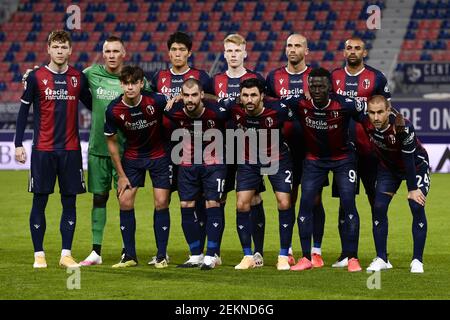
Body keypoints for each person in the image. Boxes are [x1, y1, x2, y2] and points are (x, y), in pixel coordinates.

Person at [14, 30, 92, 268]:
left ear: (70, 50)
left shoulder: (78, 78)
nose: (59, 51)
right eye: (55, 47)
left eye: (63, 47)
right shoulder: (36, 77)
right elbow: (23, 112)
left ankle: (65, 255)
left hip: (70, 151)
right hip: (43, 150)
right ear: (48, 49)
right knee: (40, 201)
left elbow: (95, 107)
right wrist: (18, 143)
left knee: (70, 203)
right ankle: (39, 254)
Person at [285, 68, 365, 272]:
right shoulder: (299, 103)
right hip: (314, 160)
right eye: (313, 86)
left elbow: (368, 117)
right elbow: (273, 107)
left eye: (321, 86)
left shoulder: (345, 104)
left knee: (349, 204)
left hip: (343, 159)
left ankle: (352, 257)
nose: (317, 90)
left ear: (330, 87)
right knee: (305, 205)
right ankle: (305, 258)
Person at [150, 31, 213, 266]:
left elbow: (214, 101)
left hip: (195, 147)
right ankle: (161, 253)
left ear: (189, 52)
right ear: (169, 53)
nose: (177, 54)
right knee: (162, 200)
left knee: (199, 200)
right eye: (174, 50)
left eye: (182, 50)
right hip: (165, 147)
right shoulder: (159, 77)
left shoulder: (201, 77)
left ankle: (202, 252)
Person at [330, 36, 394, 268]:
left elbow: (388, 111)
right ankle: (348, 254)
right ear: (344, 52)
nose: (353, 51)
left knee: (376, 202)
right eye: (349, 48)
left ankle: (382, 256)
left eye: (358, 48)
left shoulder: (376, 77)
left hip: (370, 151)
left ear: (364, 53)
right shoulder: (333, 77)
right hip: (342, 151)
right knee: (345, 203)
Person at [266, 33, 326, 267]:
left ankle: (316, 250)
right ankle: (288, 249)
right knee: (287, 199)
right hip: (283, 149)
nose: (292, 49)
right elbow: (268, 107)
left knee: (315, 199)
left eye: (298, 45)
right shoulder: (274, 77)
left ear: (306, 51)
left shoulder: (316, 77)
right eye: (289, 45)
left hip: (311, 148)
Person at [104, 66, 171, 268]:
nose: (130, 87)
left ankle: (161, 256)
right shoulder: (113, 109)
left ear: (142, 83)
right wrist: (121, 175)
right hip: (132, 158)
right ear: (121, 84)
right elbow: (112, 143)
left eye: (134, 83)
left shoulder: (156, 101)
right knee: (124, 201)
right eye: (126, 83)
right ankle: (130, 256)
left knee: (161, 202)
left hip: (159, 156)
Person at [229, 78, 295, 271]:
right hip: (249, 160)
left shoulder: (279, 109)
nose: (249, 99)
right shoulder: (234, 108)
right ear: (240, 97)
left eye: (253, 95)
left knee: (284, 202)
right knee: (242, 204)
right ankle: (248, 256)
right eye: (245, 95)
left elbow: (296, 119)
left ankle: (283, 255)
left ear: (262, 96)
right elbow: (210, 99)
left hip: (277, 159)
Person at [212, 33, 266, 267]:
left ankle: (258, 252)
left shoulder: (256, 79)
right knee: (218, 197)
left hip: (250, 147)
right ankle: (215, 251)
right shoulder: (215, 81)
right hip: (221, 146)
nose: (234, 55)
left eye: (237, 51)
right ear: (224, 54)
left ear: (245, 52)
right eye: (229, 51)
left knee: (253, 198)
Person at [164, 78, 228, 270]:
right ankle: (195, 255)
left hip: (214, 163)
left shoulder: (218, 112)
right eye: (186, 95)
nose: (190, 99)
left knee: (213, 204)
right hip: (187, 164)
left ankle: (211, 255)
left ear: (201, 95)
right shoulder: (173, 111)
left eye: (194, 95)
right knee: (186, 205)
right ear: (181, 96)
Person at [362, 95, 429, 273]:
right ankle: (382, 258)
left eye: (380, 112)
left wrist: (413, 189)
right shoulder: (364, 120)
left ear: (388, 111)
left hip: (416, 166)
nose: (375, 117)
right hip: (388, 168)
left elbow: (408, 159)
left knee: (416, 205)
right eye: (372, 113)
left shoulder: (403, 127)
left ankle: (417, 261)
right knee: (379, 207)